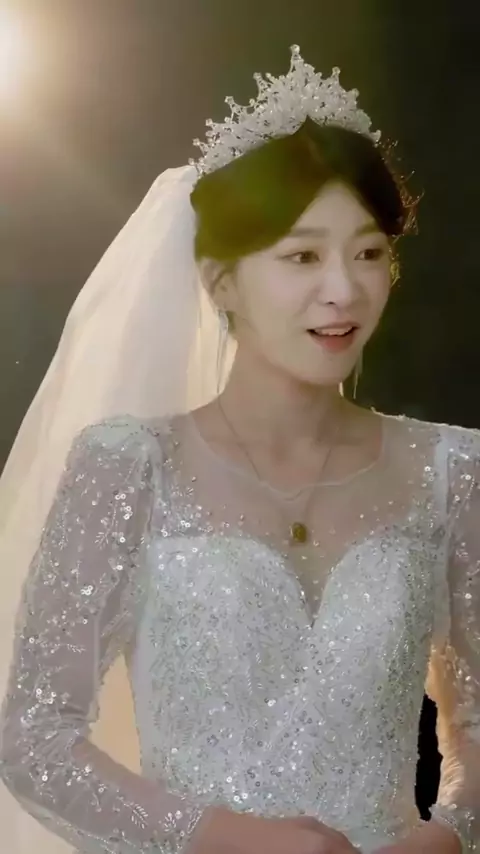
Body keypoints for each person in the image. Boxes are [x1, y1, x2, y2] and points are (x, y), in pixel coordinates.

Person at [0, 46, 478, 854]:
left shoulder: (452, 472)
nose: (343, 289)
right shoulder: (130, 466)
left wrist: (447, 836)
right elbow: (34, 741)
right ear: (221, 281)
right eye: (302, 256)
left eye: (368, 253)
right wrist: (234, 838)